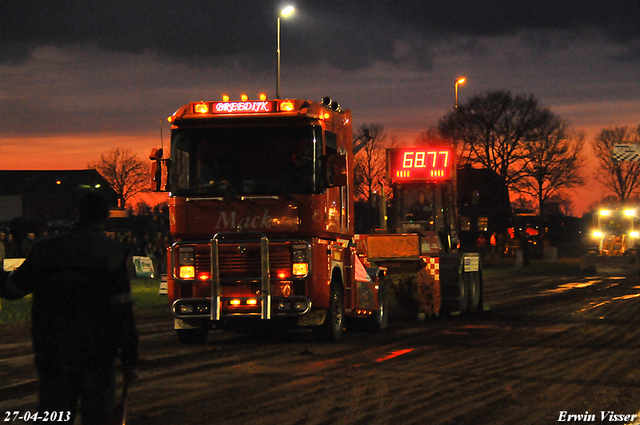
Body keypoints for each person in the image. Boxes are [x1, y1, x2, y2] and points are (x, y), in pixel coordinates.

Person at [0, 192, 138, 425]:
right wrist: (129, 358)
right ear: (104, 216)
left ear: (77, 213)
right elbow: (122, 312)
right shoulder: (112, 252)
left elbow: (13, 289)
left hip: (52, 351)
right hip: (98, 355)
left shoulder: (44, 249)